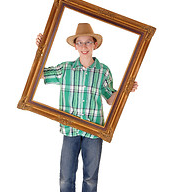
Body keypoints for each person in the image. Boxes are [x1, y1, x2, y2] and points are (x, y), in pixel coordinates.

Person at [36, 23, 138, 192]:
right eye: (80, 43)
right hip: (70, 130)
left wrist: (125, 91)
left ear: (95, 45)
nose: (84, 46)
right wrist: (41, 49)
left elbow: (111, 99)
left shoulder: (103, 71)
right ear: (75, 46)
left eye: (88, 42)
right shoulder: (65, 69)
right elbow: (38, 74)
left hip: (94, 131)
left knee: (90, 178)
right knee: (65, 177)